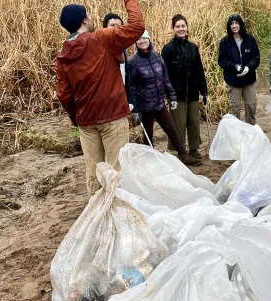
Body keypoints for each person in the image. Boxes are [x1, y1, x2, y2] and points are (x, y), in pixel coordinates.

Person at [56, 0, 144, 196]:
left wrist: (76, 119)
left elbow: (64, 95)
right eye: (89, 16)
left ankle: (95, 218)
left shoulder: (63, 54)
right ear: (84, 20)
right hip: (112, 115)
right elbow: (137, 27)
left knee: (94, 172)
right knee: (116, 171)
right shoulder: (100, 37)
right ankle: (117, 219)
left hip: (86, 121)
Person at [127, 30, 201, 166]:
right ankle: (150, 161)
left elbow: (165, 79)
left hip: (159, 103)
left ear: (149, 40)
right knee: (148, 135)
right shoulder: (133, 62)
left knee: (171, 129)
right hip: (145, 106)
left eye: (144, 38)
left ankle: (183, 155)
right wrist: (135, 110)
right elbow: (131, 87)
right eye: (138, 39)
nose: (142, 41)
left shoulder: (157, 57)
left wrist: (172, 97)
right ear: (135, 43)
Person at [161, 14, 208, 160]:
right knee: (178, 124)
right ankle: (180, 152)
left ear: (187, 28)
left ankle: (194, 149)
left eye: (183, 26)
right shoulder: (168, 49)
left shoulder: (193, 47)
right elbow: (164, 73)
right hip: (176, 95)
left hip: (193, 92)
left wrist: (204, 90)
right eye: (178, 27)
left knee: (194, 122)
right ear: (173, 29)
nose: (181, 29)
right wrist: (167, 93)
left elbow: (199, 70)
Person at [218, 14, 260, 125]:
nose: (234, 26)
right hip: (233, 81)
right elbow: (222, 60)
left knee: (251, 105)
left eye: (236, 23)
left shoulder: (249, 39)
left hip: (248, 80)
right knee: (235, 109)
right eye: (231, 23)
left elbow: (256, 58)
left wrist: (248, 67)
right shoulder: (225, 42)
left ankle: (251, 130)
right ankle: (236, 133)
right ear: (229, 26)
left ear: (240, 24)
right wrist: (234, 66)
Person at [102, 12, 129, 87]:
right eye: (112, 25)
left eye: (118, 26)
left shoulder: (122, 47)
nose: (116, 28)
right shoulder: (99, 46)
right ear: (105, 27)